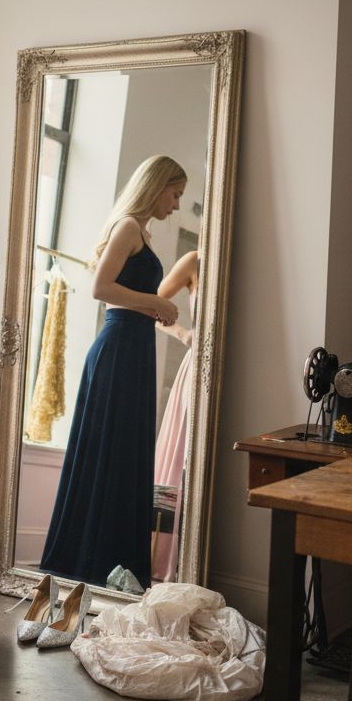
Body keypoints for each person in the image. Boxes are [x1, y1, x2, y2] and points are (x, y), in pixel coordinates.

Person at [40, 155, 185, 591]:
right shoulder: (127, 226)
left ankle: (108, 566)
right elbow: (101, 289)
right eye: (175, 194)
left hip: (133, 348)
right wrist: (156, 303)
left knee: (123, 456)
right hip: (119, 348)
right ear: (157, 186)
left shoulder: (141, 232)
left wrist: (150, 308)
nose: (177, 205)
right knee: (108, 454)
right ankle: (87, 564)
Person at [152, 248, 199, 582]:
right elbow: (152, 306)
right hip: (193, 368)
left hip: (224, 370)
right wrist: (182, 333)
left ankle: (196, 559)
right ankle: (159, 558)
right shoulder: (194, 261)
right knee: (176, 459)